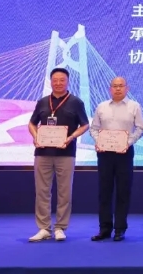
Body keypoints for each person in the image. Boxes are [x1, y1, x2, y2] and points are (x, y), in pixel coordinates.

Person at [27, 67, 89, 242]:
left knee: (64, 192)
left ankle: (60, 227)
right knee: (42, 191)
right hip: (42, 153)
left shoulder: (76, 102)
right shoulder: (42, 102)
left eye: (62, 80)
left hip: (66, 153)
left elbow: (85, 125)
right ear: (51, 81)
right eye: (55, 80)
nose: (58, 83)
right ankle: (44, 228)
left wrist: (71, 137)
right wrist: (35, 136)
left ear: (68, 81)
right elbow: (31, 123)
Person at [88, 77, 143, 242]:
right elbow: (94, 128)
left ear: (127, 88)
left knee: (123, 191)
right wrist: (99, 140)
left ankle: (120, 229)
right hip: (104, 153)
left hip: (124, 153)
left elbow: (140, 127)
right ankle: (104, 229)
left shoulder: (134, 106)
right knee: (104, 191)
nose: (118, 89)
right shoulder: (102, 106)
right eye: (114, 86)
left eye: (121, 86)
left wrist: (128, 142)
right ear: (110, 89)